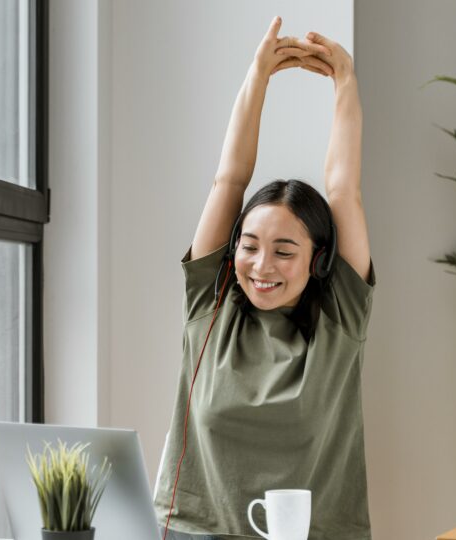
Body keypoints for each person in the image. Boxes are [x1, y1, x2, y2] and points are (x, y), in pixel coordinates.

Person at [154, 16, 374, 540]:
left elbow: (343, 191)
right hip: (194, 532)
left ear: (319, 260)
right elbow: (229, 179)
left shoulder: (340, 318)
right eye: (249, 247)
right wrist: (257, 77)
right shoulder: (211, 304)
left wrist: (345, 81)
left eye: (284, 251)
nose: (261, 265)